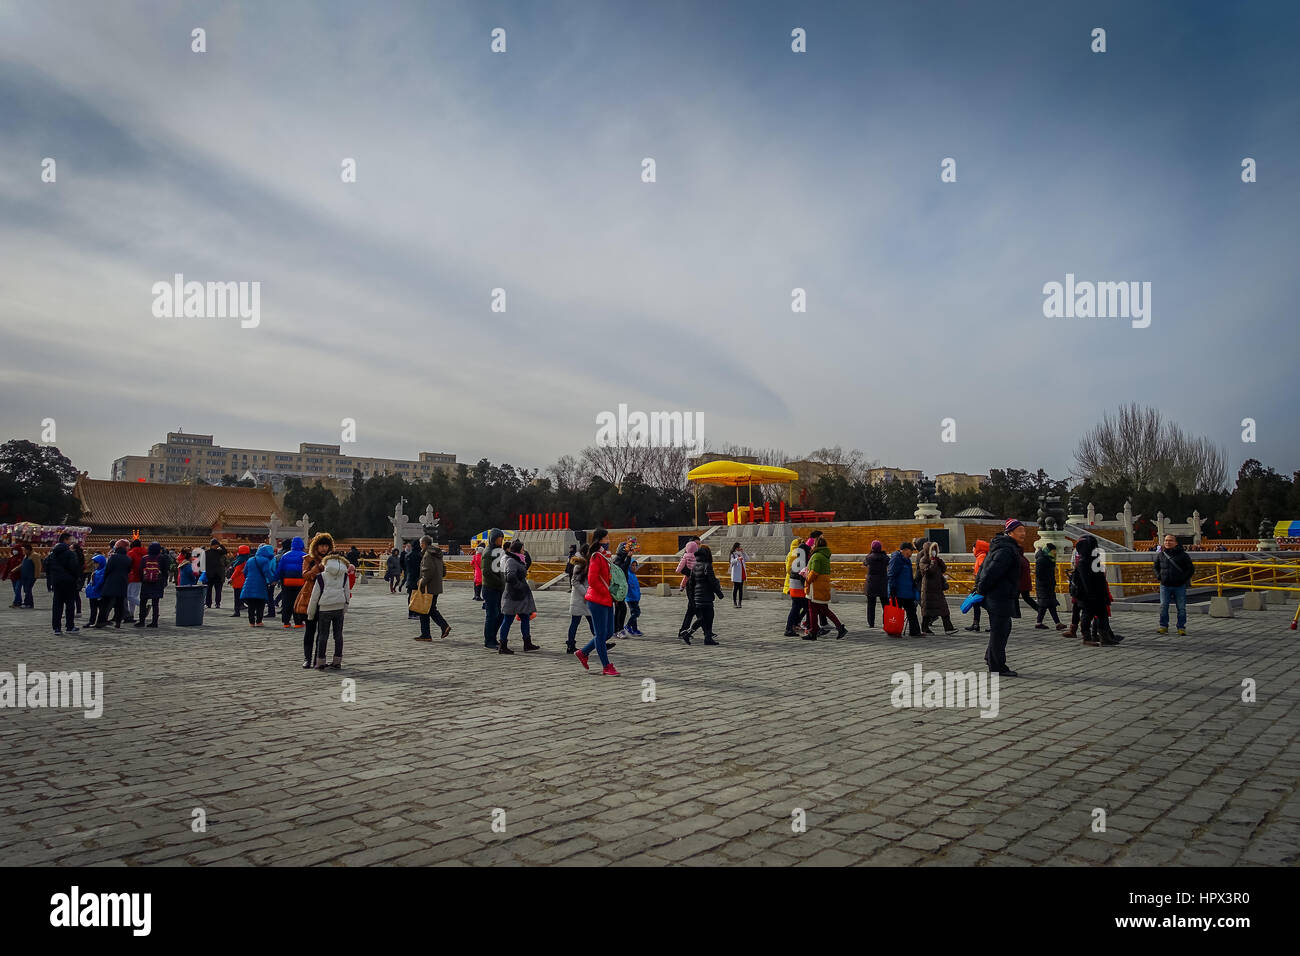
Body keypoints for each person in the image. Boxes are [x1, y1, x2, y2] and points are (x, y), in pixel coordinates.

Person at [972, 519, 1027, 676]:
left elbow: (985, 568)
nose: (1023, 533)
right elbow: (991, 572)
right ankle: (997, 666)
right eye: (1019, 530)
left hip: (999, 596)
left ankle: (991, 658)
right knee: (1000, 631)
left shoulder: (1004, 547)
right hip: (998, 596)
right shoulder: (1006, 550)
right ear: (1010, 532)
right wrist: (981, 589)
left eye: (1024, 530)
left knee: (1002, 629)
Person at [576, 528, 620, 675]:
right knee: (601, 634)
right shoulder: (596, 556)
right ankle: (606, 666)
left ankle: (583, 652)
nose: (609, 541)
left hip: (607, 599)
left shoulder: (606, 556)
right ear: (600, 540)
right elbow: (593, 580)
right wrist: (607, 591)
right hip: (597, 599)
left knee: (608, 632)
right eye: (607, 538)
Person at [295, 533, 336, 668]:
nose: (324, 549)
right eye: (321, 546)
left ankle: (318, 658)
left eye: (326, 546)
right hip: (310, 597)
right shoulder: (309, 559)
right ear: (316, 547)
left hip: (326, 598)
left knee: (323, 632)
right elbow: (305, 576)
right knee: (310, 630)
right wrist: (316, 569)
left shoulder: (333, 560)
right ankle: (307, 658)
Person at [307, 551, 352, 670]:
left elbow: (314, 596)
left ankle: (320, 661)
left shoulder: (321, 576)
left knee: (323, 635)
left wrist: (310, 613)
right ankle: (337, 661)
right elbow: (347, 594)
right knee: (338, 635)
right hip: (339, 606)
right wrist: (345, 609)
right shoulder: (345, 575)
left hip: (325, 608)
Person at [1074, 534, 1118, 646]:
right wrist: (1091, 595)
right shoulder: (1083, 562)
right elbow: (1086, 581)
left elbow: (1099, 577)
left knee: (1103, 615)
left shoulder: (1094, 559)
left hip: (1099, 593)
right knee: (1087, 615)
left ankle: (1105, 638)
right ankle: (1086, 638)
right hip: (1088, 595)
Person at [499, 538, 539, 654]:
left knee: (525, 618)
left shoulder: (519, 560)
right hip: (513, 596)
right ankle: (503, 645)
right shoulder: (511, 561)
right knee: (508, 620)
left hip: (520, 596)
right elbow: (510, 577)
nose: (524, 551)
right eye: (522, 549)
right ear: (517, 550)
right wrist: (520, 586)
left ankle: (527, 643)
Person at [805, 535, 847, 639]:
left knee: (814, 610)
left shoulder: (816, 556)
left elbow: (814, 572)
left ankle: (814, 632)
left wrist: (807, 579)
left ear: (817, 545)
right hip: (823, 586)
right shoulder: (825, 556)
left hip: (815, 587)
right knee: (822, 610)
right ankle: (838, 628)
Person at [1154, 533, 1193, 635]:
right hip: (1165, 585)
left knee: (1181, 608)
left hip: (1179, 585)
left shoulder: (1183, 555)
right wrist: (1159, 576)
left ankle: (1181, 627)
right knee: (1163, 606)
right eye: (1166, 540)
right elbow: (1156, 567)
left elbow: (1190, 569)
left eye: (1170, 540)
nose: (1167, 542)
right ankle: (1163, 626)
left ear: (1176, 543)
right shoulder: (1161, 555)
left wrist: (1182, 579)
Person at [414, 535, 451, 642]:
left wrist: (421, 582)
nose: (420, 545)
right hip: (436, 585)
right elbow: (443, 570)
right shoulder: (437, 553)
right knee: (428, 609)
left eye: (421, 543)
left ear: (424, 544)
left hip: (428, 586)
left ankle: (441, 627)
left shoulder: (427, 555)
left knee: (426, 609)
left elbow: (427, 572)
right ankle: (427, 633)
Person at [686, 544, 725, 645]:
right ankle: (698, 635)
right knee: (708, 616)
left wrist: (693, 596)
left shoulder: (695, 566)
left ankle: (706, 637)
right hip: (706, 595)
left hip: (698, 596)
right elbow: (712, 581)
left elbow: (691, 583)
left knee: (703, 618)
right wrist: (719, 593)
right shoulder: (707, 566)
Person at [46, 532, 82, 634]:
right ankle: (69, 627)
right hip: (69, 582)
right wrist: (75, 578)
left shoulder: (52, 554)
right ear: (65, 540)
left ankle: (57, 628)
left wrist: (53, 576)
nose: (71, 542)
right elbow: (74, 567)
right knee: (70, 605)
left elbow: (46, 565)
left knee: (57, 605)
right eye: (70, 539)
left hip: (57, 582)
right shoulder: (70, 553)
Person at [887, 541, 922, 637]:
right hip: (898, 591)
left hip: (907, 592)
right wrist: (892, 589)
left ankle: (915, 632)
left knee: (912, 612)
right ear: (905, 550)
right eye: (911, 551)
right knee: (896, 613)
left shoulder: (907, 560)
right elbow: (891, 575)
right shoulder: (896, 559)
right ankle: (894, 631)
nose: (911, 554)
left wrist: (913, 587)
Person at [919, 542, 955, 634]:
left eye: (935, 549)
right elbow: (928, 571)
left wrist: (939, 561)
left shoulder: (936, 560)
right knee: (928, 611)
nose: (934, 551)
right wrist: (933, 561)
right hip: (929, 590)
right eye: (932, 549)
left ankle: (949, 628)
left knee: (944, 609)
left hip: (938, 589)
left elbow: (943, 569)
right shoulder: (923, 560)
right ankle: (924, 628)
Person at [135, 542, 171, 627]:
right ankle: (154, 622)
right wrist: (164, 581)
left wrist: (142, 580)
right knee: (155, 603)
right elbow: (165, 570)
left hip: (146, 582)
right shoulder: (161, 558)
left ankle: (142, 621)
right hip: (158, 582)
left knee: (143, 602)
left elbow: (140, 570)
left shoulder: (144, 558)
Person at [241, 543, 277, 627]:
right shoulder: (265, 560)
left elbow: (245, 572)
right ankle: (259, 621)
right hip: (260, 584)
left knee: (251, 605)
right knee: (260, 604)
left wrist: (249, 578)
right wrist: (272, 580)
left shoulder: (250, 559)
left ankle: (251, 622)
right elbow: (266, 572)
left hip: (248, 583)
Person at [567, 545, 594, 654]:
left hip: (587, 598)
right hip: (579, 599)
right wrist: (586, 593)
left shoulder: (588, 564)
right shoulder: (579, 565)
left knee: (593, 622)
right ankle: (570, 645)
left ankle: (600, 641)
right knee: (575, 623)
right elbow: (574, 581)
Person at [276, 537, 308, 628]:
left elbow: (280, 570)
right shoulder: (305, 555)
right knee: (298, 602)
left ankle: (286, 622)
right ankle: (298, 622)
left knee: (287, 602)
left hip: (287, 582)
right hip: (300, 582)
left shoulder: (285, 555)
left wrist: (275, 579)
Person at [480, 529, 505, 648]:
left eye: (501, 537)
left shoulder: (498, 551)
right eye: (499, 537)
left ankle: (493, 637)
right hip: (490, 587)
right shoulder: (488, 551)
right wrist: (500, 582)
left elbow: (499, 569)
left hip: (498, 587)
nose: (501, 540)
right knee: (491, 615)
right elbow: (487, 572)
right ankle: (488, 640)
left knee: (500, 614)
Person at [1034, 543, 1066, 629]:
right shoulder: (1042, 559)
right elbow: (1039, 574)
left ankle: (1039, 623)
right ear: (1049, 550)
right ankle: (1057, 623)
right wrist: (1047, 582)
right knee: (1049, 604)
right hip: (1044, 585)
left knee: (1045, 605)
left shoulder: (1048, 558)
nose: (1055, 552)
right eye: (1053, 550)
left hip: (1048, 585)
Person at [676, 538, 700, 639]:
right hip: (692, 585)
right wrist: (692, 573)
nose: (698, 546)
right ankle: (707, 631)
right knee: (697, 609)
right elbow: (682, 571)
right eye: (697, 544)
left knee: (691, 609)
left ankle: (683, 631)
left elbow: (679, 569)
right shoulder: (693, 556)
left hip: (693, 584)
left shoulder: (688, 556)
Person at [862, 540, 889, 629]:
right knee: (885, 604)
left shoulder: (869, 557)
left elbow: (864, 564)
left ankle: (871, 623)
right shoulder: (885, 557)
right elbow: (889, 563)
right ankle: (886, 622)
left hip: (871, 584)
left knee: (871, 605)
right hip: (882, 583)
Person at [964, 540, 990, 632]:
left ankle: (992, 623)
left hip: (981, 585)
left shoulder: (981, 557)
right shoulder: (981, 556)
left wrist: (978, 585)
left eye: (973, 548)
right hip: (980, 584)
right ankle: (976, 624)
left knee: (985, 604)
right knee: (976, 603)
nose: (972, 550)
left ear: (977, 548)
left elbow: (983, 572)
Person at [612, 540, 633, 637]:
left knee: (618, 609)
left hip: (620, 588)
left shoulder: (620, 558)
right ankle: (619, 629)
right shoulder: (617, 559)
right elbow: (622, 568)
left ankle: (615, 629)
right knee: (622, 609)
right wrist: (629, 557)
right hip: (617, 589)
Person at [228, 544, 251, 617]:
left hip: (238, 581)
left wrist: (231, 578)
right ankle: (253, 607)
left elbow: (237, 571)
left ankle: (237, 612)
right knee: (245, 597)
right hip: (245, 580)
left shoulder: (240, 560)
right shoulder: (249, 559)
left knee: (238, 598)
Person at [85, 551, 107, 627]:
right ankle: (92, 621)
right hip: (93, 593)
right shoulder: (97, 571)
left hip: (97, 592)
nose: (95, 564)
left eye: (96, 563)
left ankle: (100, 621)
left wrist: (94, 588)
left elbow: (99, 582)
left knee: (100, 609)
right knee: (93, 609)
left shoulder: (102, 571)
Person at [204, 539, 228, 609]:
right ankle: (211, 603)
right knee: (211, 590)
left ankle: (215, 603)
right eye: (216, 545)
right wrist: (220, 545)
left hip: (214, 574)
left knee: (215, 590)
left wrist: (220, 545)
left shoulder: (217, 552)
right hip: (215, 574)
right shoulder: (211, 552)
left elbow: (225, 551)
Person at [125, 537, 145, 619]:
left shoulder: (131, 553)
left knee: (129, 596)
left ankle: (143, 606)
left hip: (132, 576)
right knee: (134, 596)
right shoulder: (145, 552)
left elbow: (127, 564)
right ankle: (131, 614)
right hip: (141, 576)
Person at [625, 558, 643, 636]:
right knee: (636, 612)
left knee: (634, 613)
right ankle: (628, 626)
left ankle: (634, 629)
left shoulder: (633, 575)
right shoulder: (628, 575)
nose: (634, 567)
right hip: (630, 598)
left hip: (636, 597)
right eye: (632, 565)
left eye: (635, 566)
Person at [729, 542, 747, 608]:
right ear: (736, 548)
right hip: (736, 573)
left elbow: (747, 559)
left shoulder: (741, 554)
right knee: (735, 588)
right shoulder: (733, 554)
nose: (740, 548)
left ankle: (740, 602)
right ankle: (734, 602)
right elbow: (732, 562)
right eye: (739, 547)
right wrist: (737, 559)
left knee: (741, 589)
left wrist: (744, 552)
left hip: (742, 573)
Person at [71, 540, 86, 618]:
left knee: (72, 595)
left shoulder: (73, 555)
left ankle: (72, 611)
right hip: (80, 576)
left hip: (74, 576)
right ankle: (78, 611)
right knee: (76, 595)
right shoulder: (81, 555)